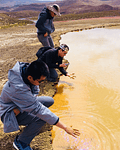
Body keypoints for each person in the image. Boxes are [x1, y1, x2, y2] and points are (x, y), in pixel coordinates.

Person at [0, 59, 80, 150]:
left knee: (49, 100)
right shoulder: (19, 89)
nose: (41, 83)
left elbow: (34, 97)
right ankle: (21, 142)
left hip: (21, 104)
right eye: (40, 81)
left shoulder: (25, 73)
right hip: (10, 113)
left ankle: (30, 123)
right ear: (30, 77)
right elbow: (39, 110)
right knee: (41, 118)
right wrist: (65, 127)